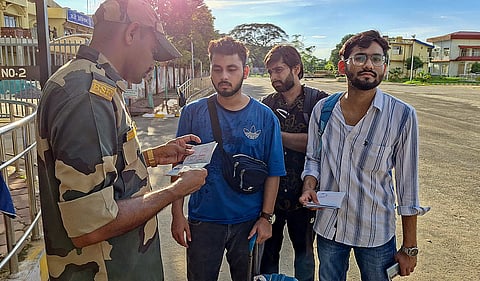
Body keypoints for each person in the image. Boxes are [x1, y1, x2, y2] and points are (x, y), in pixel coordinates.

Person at [35, 0, 207, 280]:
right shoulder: (88, 96)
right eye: (152, 50)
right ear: (132, 33)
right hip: (107, 271)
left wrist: (151, 157)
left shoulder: (86, 81)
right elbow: (91, 224)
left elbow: (99, 170)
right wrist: (175, 191)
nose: (152, 64)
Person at [299, 30, 429, 281]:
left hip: (375, 233)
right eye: (360, 57)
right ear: (342, 66)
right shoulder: (323, 111)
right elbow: (313, 159)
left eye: (377, 59)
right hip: (330, 228)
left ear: (385, 68)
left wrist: (409, 247)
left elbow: (407, 185)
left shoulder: (401, 115)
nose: (369, 64)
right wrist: (309, 185)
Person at [170, 36, 286, 281]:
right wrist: (177, 215)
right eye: (217, 69)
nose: (224, 76)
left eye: (231, 69)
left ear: (244, 71)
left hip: (249, 222)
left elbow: (274, 171)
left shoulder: (265, 118)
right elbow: (178, 166)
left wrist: (266, 218)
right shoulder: (192, 113)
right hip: (203, 221)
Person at [260, 45, 328, 281]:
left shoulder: (319, 103)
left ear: (296, 68)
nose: (273, 77)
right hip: (271, 198)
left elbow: (323, 144)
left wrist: (278, 137)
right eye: (270, 72)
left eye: (278, 70)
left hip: (305, 198)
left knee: (305, 258)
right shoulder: (265, 104)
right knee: (266, 258)